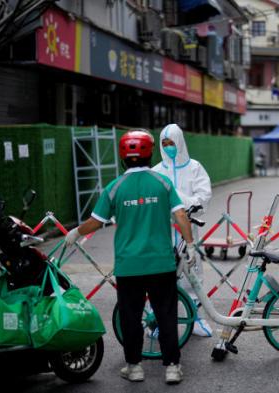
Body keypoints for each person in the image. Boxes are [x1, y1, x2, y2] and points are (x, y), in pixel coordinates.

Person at [65, 129, 195, 385]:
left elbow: (95, 222)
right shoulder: (163, 183)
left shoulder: (114, 188)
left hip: (129, 267)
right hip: (161, 263)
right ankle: (172, 367)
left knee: (130, 317)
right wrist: (190, 244)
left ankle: (134, 367)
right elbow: (180, 215)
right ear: (149, 153)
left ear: (123, 157)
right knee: (166, 315)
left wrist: (74, 232)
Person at [152, 124, 213, 337]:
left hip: (188, 230)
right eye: (164, 144)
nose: (169, 148)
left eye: (172, 143)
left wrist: (181, 201)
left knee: (192, 274)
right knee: (161, 277)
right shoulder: (157, 171)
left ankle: (195, 318)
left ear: (180, 143)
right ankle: (158, 321)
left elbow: (203, 198)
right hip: (163, 233)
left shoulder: (194, 167)